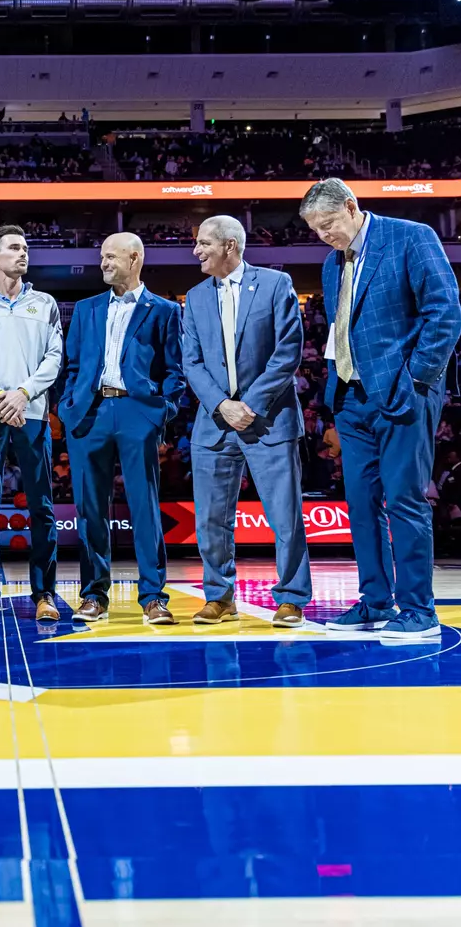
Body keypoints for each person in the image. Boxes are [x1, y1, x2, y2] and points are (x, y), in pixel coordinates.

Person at [300, 178, 461, 643]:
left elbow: (445, 312)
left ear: (351, 206)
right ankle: (374, 601)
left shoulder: (412, 237)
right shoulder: (333, 263)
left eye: (328, 225)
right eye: (315, 230)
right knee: (361, 505)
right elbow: (340, 330)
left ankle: (418, 611)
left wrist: (416, 380)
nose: (323, 236)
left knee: (405, 500)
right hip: (350, 400)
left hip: (403, 393)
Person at [183, 215, 312, 628]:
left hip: (269, 420)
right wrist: (222, 405)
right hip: (214, 422)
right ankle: (219, 597)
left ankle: (291, 597)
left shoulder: (276, 285)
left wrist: (249, 405)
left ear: (229, 246)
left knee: (284, 514)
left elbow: (288, 351)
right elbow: (192, 362)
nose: (196, 251)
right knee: (210, 518)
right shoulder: (196, 296)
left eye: (204, 243)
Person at [58, 232, 184, 624]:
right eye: (102, 257)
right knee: (89, 510)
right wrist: (67, 407)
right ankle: (94, 595)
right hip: (90, 413)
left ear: (134, 259)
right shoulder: (86, 308)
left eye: (110, 257)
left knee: (144, 506)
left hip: (136, 411)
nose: (103, 263)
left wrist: (160, 412)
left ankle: (152, 597)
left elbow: (174, 372)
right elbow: (74, 366)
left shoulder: (163, 309)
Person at [0, 225, 64, 623]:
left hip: (33, 412)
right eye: (14, 248)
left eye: (25, 248)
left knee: (41, 507)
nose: (23, 254)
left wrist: (22, 393)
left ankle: (45, 594)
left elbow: (55, 357)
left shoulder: (45, 302)